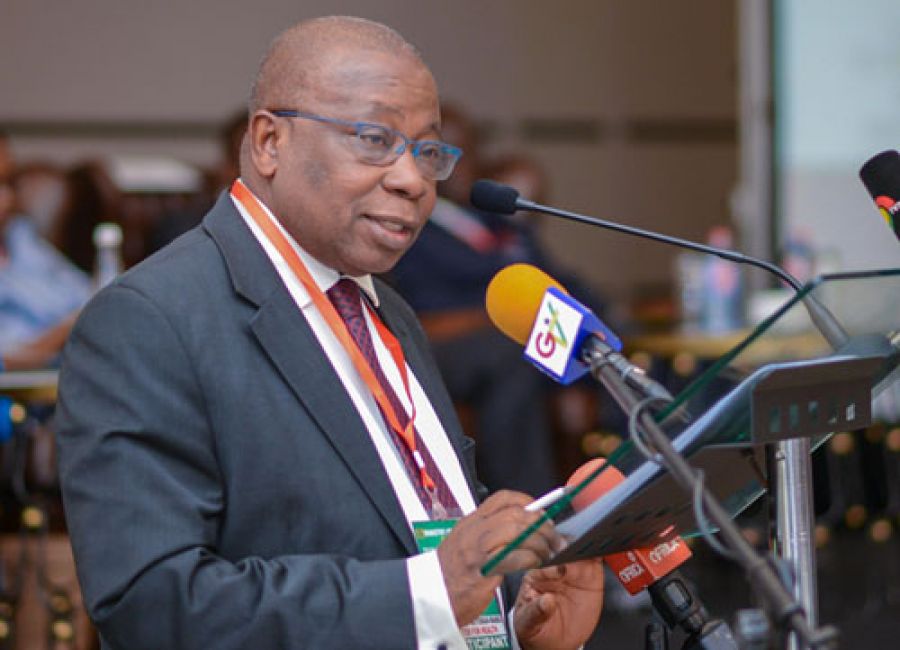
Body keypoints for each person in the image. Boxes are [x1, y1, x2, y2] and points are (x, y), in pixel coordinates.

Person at [55, 16, 603, 650]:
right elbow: (152, 607)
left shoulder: (386, 312)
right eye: (374, 139)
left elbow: (421, 527)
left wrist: (514, 620)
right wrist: (432, 594)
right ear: (270, 142)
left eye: (428, 152)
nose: (412, 180)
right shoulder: (149, 321)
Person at [0, 132, 92, 371]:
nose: (8, 199)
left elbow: (90, 296)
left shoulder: (20, 238)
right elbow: (9, 359)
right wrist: (64, 333)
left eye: (9, 183)